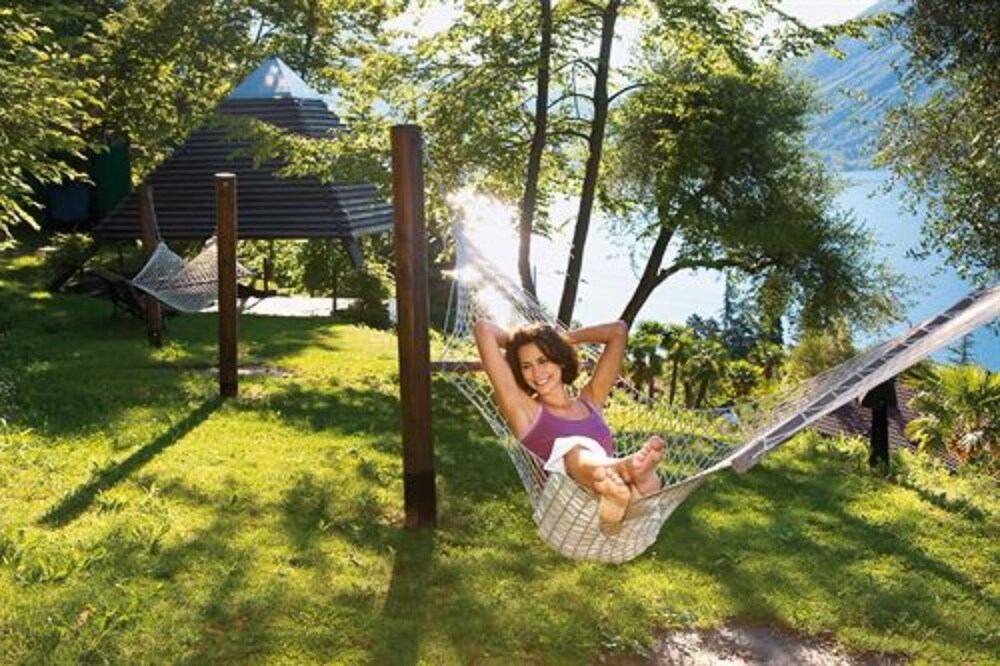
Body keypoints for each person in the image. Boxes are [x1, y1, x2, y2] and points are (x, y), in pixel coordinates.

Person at [473, 319, 664, 527]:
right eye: (526, 366)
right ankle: (621, 471)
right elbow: (484, 329)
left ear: (560, 360)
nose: (537, 373)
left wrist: (558, 339)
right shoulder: (524, 410)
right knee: (572, 449)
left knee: (645, 486)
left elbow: (618, 331)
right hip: (567, 515)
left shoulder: (591, 400)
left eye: (543, 360)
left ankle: (623, 497)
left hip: (613, 506)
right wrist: (520, 340)